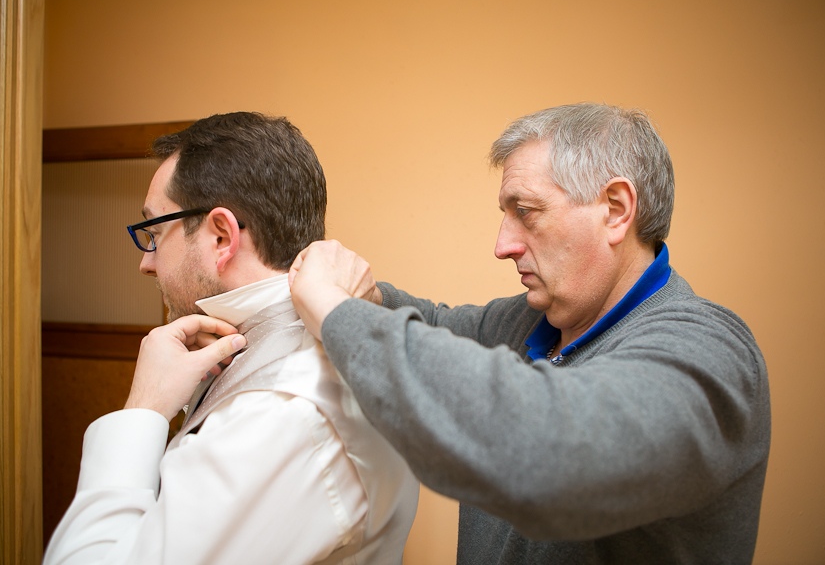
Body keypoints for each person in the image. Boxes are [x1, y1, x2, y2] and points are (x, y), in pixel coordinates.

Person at [287, 103, 771, 564]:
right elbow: (432, 323)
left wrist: (334, 311)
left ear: (616, 209)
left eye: (526, 211)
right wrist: (342, 285)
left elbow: (552, 450)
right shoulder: (533, 321)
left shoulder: (711, 351)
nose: (503, 245)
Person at [43, 112, 419, 564]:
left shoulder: (281, 412)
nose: (146, 264)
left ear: (221, 236)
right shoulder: (310, 352)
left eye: (155, 232)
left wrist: (143, 409)